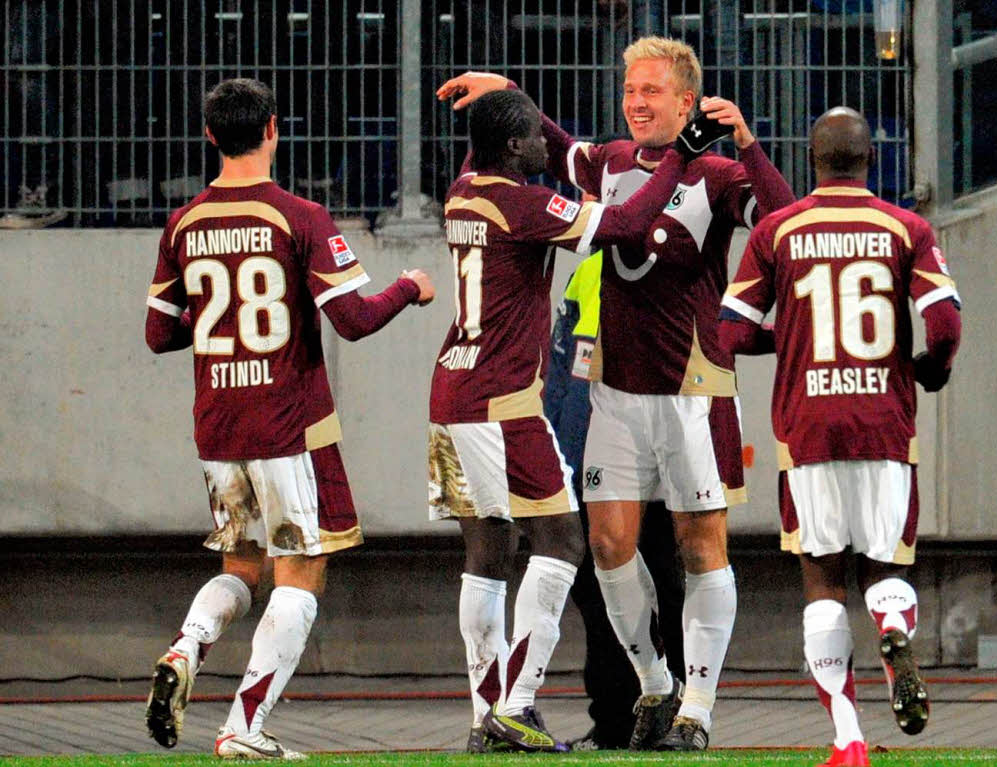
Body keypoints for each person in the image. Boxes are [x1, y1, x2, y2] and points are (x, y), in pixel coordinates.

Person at [437, 35, 795, 751]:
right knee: (605, 544)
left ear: (688, 100)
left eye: (652, 91)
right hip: (613, 384)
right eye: (630, 89)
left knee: (701, 546)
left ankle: (697, 707)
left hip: (695, 383)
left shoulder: (722, 173)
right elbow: (553, 146)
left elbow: (783, 226)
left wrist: (751, 145)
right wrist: (510, 87)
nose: (636, 102)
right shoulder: (607, 160)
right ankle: (656, 683)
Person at [143, 78, 435, 760]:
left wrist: (226, 326)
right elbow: (354, 320)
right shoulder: (299, 215)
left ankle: (186, 647)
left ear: (210, 135)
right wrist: (409, 288)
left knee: (241, 564)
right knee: (299, 572)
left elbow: (159, 334)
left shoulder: (184, 222)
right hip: (288, 424)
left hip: (218, 426)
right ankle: (244, 725)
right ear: (274, 129)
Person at [429, 87, 691, 753]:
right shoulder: (523, 204)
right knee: (564, 542)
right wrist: (679, 160)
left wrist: (512, 97)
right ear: (514, 148)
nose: (551, 147)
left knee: (487, 555)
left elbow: (514, 148)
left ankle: (485, 711)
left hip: (451, 393)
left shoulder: (463, 190)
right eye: (536, 137)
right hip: (504, 399)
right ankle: (516, 705)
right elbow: (628, 225)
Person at [719, 106, 962, 767]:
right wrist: (928, 371)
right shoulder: (905, 227)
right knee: (887, 566)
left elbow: (732, 333)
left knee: (822, 580)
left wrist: (793, 337)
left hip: (809, 428)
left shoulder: (778, 230)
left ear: (813, 160)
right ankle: (890, 622)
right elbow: (943, 323)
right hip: (884, 420)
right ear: (870, 160)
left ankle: (849, 739)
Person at [544, 249, 685, 750]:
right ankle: (623, 721)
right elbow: (560, 376)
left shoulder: (666, 261)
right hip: (600, 459)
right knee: (613, 592)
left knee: (652, 589)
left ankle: (657, 718)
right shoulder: (589, 270)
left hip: (633, 460)